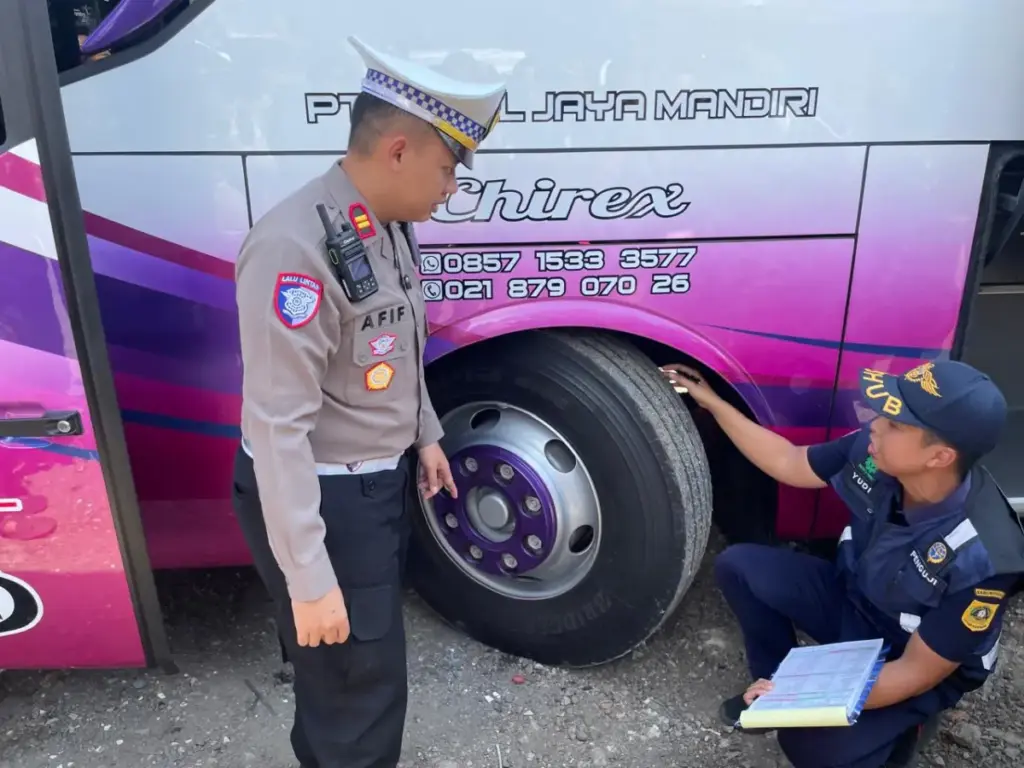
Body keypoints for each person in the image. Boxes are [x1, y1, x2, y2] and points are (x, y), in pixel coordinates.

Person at [231, 37, 506, 768]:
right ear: (396, 150)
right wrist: (311, 579)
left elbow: (392, 347)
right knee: (358, 682)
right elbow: (278, 426)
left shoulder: (382, 224)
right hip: (322, 497)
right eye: (447, 167)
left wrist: (424, 434)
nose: (451, 186)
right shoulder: (297, 249)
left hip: (368, 483)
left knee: (351, 670)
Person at [660, 359, 1024, 768]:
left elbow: (914, 673)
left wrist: (797, 700)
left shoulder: (985, 557)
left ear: (939, 457)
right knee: (740, 567)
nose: (876, 425)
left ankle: (910, 727)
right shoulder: (879, 452)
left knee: (811, 748)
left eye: (897, 423)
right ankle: (773, 682)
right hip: (858, 601)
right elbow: (789, 462)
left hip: (910, 660)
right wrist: (712, 402)